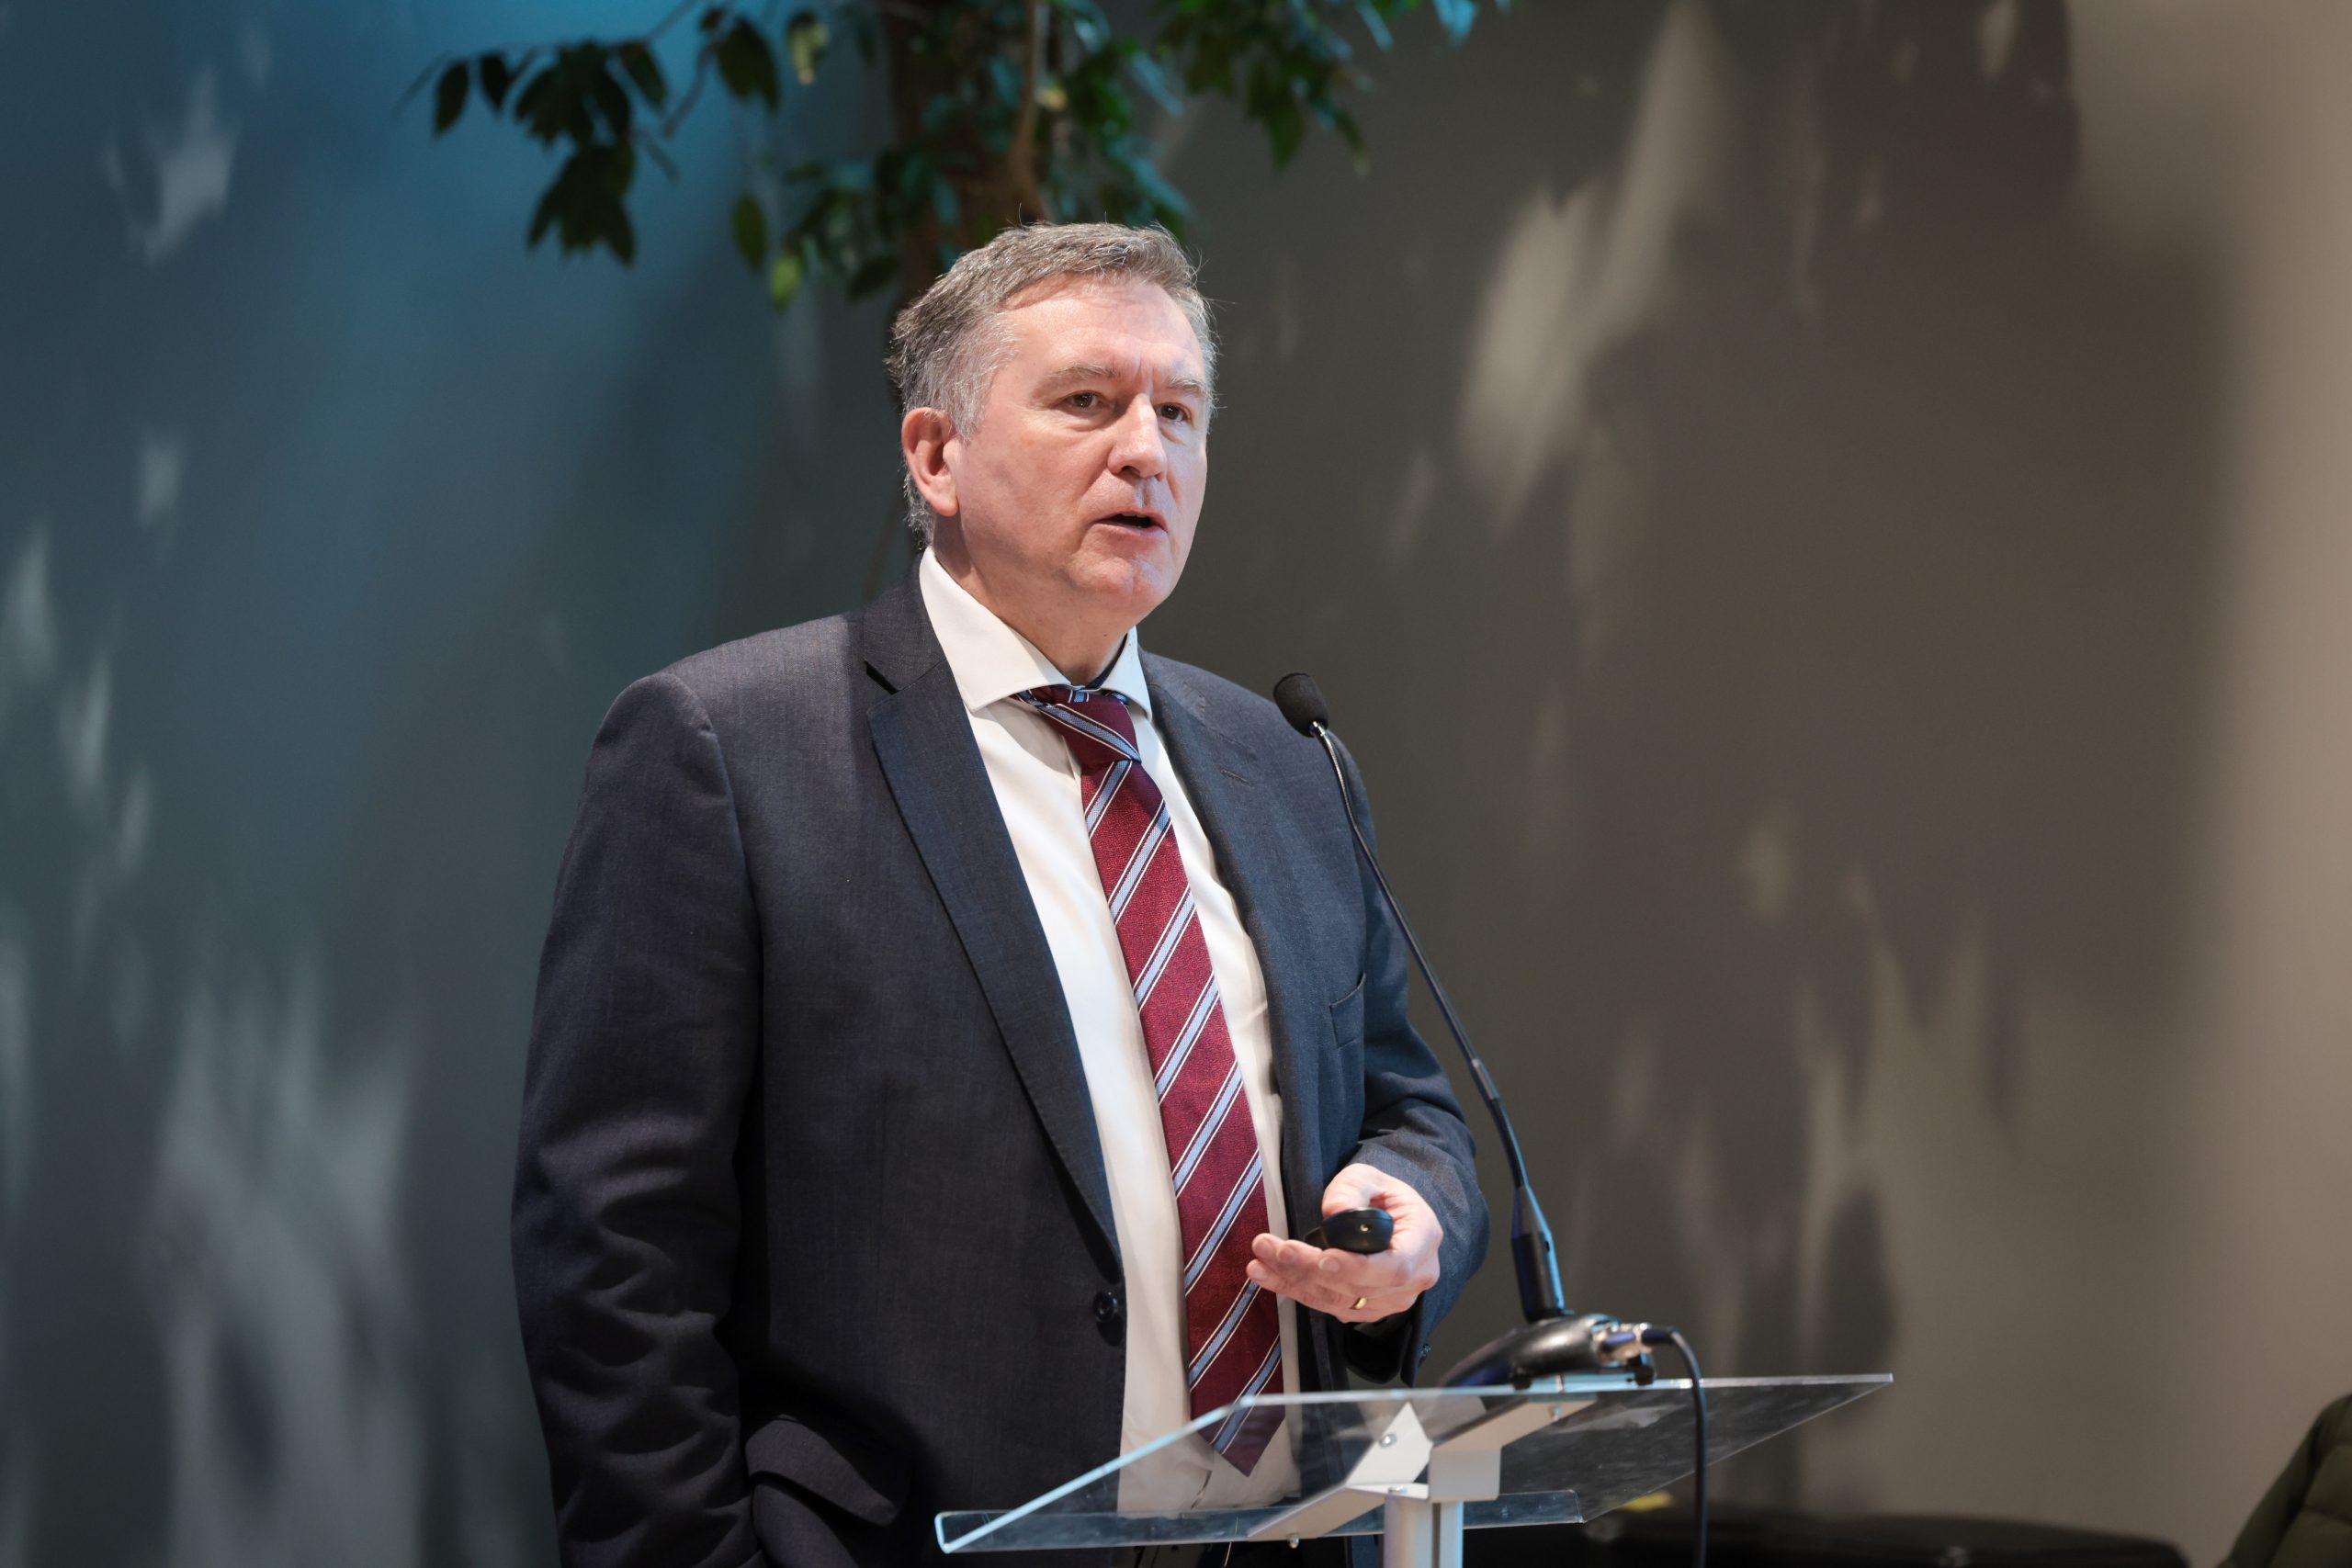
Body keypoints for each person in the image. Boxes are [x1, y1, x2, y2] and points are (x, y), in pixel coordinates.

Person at [512, 221, 1488, 1568]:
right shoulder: (728, 750)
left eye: (1181, 412)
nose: (1147, 450)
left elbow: (1409, 1105)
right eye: (1088, 402)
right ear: (937, 456)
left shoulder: (1285, 764)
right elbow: (614, 1256)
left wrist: (1413, 1211)